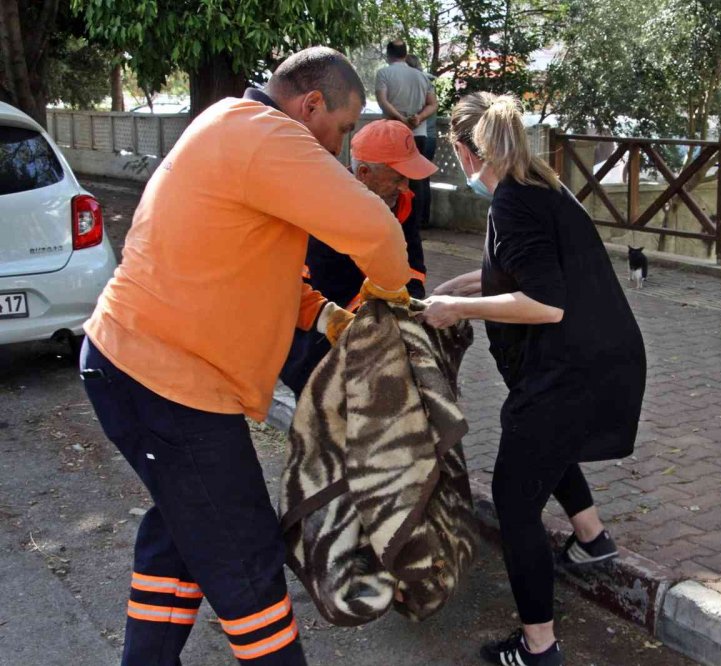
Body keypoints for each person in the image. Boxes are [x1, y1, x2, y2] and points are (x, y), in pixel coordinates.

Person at [78, 47, 411, 666]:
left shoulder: (234, 126)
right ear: (310, 105)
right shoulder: (266, 136)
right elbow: (377, 232)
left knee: (180, 532)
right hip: (165, 382)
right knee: (245, 556)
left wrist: (325, 315)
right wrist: (391, 305)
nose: (340, 148)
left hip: (141, 368)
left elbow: (255, 263)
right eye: (341, 130)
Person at [423, 92, 646, 666]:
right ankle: (593, 540)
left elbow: (544, 303)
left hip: (570, 371)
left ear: (464, 150)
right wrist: (463, 286)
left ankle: (538, 647)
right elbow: (524, 267)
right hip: (596, 363)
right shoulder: (540, 187)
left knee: (514, 499)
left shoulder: (514, 203)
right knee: (542, 447)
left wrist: (459, 312)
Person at [280, 119, 437, 396]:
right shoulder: (325, 206)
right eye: (398, 177)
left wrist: (409, 306)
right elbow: (325, 290)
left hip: (370, 334)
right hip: (318, 334)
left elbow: (413, 267)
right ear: (363, 172)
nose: (405, 186)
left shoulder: (403, 202)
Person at [376, 40, 438, 228]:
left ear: (388, 54)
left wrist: (399, 118)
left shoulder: (384, 73)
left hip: (392, 131)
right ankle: (415, 223)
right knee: (416, 180)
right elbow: (433, 104)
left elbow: (382, 100)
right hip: (418, 134)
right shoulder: (421, 76)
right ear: (405, 53)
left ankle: (394, 220)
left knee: (391, 177)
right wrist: (418, 118)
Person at [406, 53, 438, 228]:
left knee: (417, 180)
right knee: (423, 179)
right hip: (430, 136)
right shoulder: (427, 81)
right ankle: (424, 219)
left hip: (423, 135)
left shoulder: (419, 83)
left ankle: (418, 220)